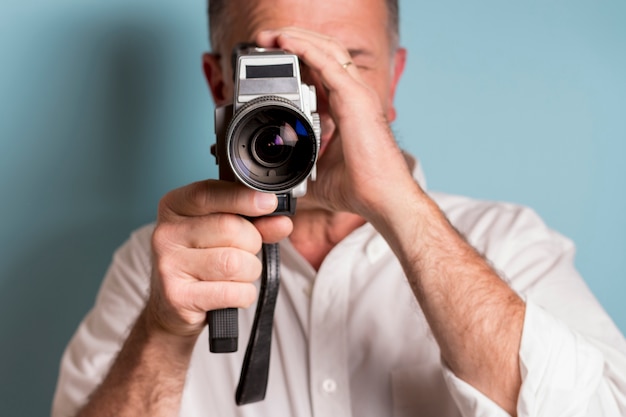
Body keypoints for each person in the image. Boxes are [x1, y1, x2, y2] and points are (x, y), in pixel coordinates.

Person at [52, 0, 626, 415]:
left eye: (348, 62)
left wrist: (400, 207)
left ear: (392, 81)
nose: (312, 97)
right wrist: (163, 331)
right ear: (219, 83)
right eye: (272, 66)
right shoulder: (154, 266)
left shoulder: (509, 243)